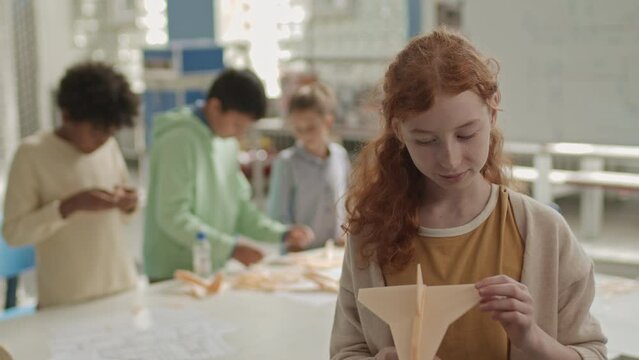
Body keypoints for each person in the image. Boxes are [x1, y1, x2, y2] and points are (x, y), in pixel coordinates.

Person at [330, 29, 606, 360]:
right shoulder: (371, 235)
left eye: (466, 134)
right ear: (398, 131)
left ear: (492, 111)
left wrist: (532, 338)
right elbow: (346, 351)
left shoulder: (544, 232)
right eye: (425, 140)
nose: (450, 159)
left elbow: (592, 353)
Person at [143, 69, 314, 282]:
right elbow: (172, 215)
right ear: (215, 106)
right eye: (237, 125)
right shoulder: (179, 140)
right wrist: (230, 248)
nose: (239, 133)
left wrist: (281, 233)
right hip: (173, 272)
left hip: (210, 269)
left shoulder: (226, 141)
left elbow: (239, 209)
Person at [2, 62, 139, 307]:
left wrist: (128, 204)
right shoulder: (31, 154)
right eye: (96, 131)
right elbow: (14, 234)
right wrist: (67, 207)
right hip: (66, 301)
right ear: (66, 116)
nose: (103, 140)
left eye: (110, 132)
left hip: (121, 288)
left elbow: (123, 218)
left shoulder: (107, 146)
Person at [266, 83, 351, 249]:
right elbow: (276, 216)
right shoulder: (287, 162)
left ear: (328, 121)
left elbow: (347, 201)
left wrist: (346, 230)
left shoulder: (339, 156)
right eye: (298, 129)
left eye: (311, 128)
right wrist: (290, 235)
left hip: (333, 253)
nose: (305, 135)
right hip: (300, 256)